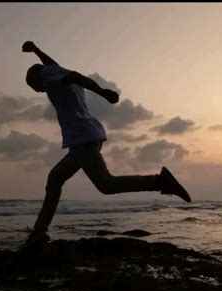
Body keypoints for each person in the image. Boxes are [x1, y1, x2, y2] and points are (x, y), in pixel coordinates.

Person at [20, 40, 191, 252]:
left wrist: (103, 92)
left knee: (106, 184)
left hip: (83, 139)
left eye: (32, 85)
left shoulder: (50, 75)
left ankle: (159, 182)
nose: (37, 90)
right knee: (55, 178)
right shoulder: (55, 73)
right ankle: (39, 232)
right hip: (84, 140)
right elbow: (55, 66)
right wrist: (36, 50)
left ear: (37, 76)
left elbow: (76, 75)